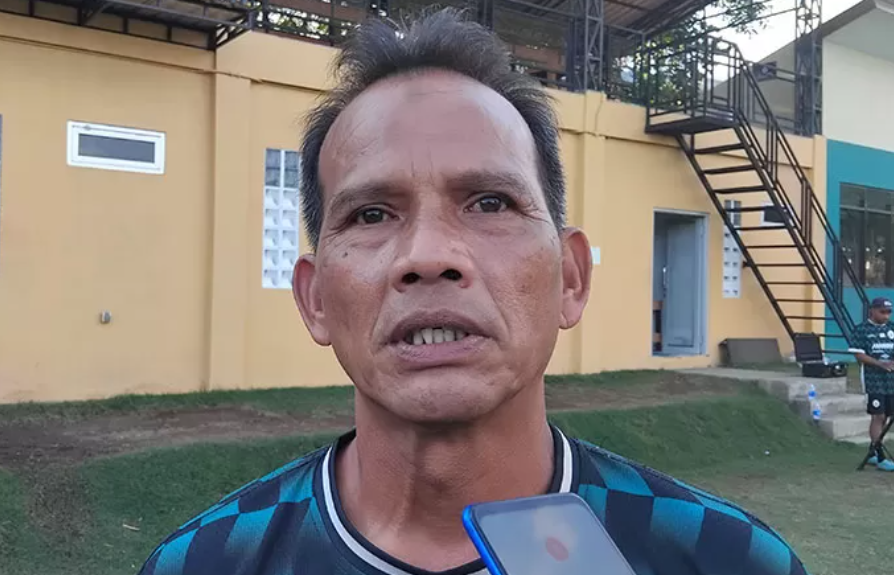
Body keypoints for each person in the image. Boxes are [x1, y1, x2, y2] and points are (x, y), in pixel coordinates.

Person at [138, 10, 808, 575]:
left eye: (490, 202)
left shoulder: (728, 559)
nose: (428, 256)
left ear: (570, 278)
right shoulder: (207, 562)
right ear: (314, 300)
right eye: (371, 214)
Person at [850, 297, 894, 471]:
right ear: (872, 311)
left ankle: (874, 450)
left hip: (891, 381)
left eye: (889, 312)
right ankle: (880, 457)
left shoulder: (892, 328)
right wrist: (880, 364)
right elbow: (859, 355)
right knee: (878, 416)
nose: (886, 316)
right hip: (873, 380)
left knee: (887, 416)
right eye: (882, 312)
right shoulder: (861, 330)